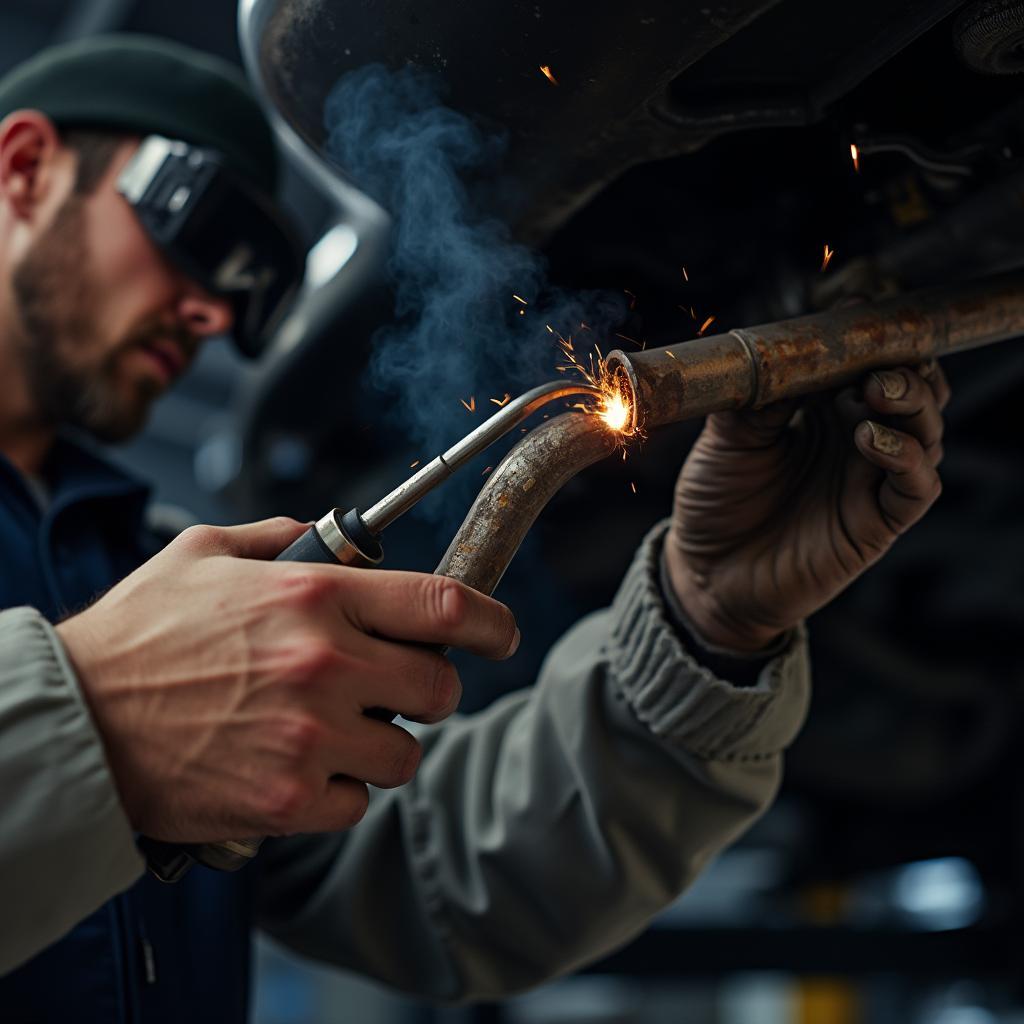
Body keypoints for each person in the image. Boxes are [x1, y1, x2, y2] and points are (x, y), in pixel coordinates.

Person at [0, 33, 949, 1022]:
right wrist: (97, 728)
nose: (210, 314)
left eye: (252, 299)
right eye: (206, 234)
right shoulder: (152, 603)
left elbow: (439, 877)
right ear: (25, 167)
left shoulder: (127, 561)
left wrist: (703, 624)